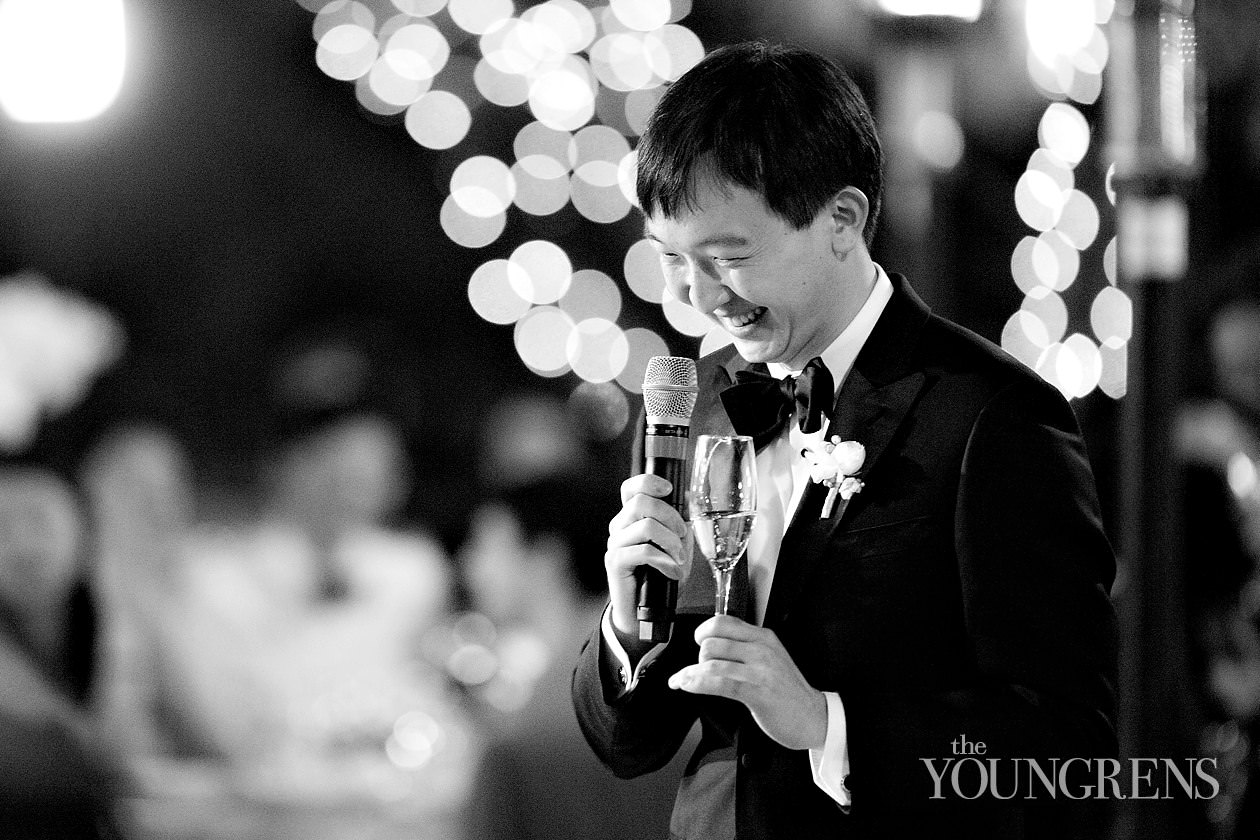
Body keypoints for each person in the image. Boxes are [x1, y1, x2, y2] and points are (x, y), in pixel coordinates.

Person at [571, 42, 1117, 838]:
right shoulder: (696, 409)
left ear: (843, 219)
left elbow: (1071, 748)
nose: (698, 296)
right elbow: (629, 745)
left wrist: (828, 725)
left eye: (728, 257)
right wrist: (627, 628)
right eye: (672, 259)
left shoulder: (993, 417)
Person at [459, 475, 685, 840]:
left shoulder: (599, 677)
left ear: (548, 557)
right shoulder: (567, 663)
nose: (470, 565)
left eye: (487, 546)